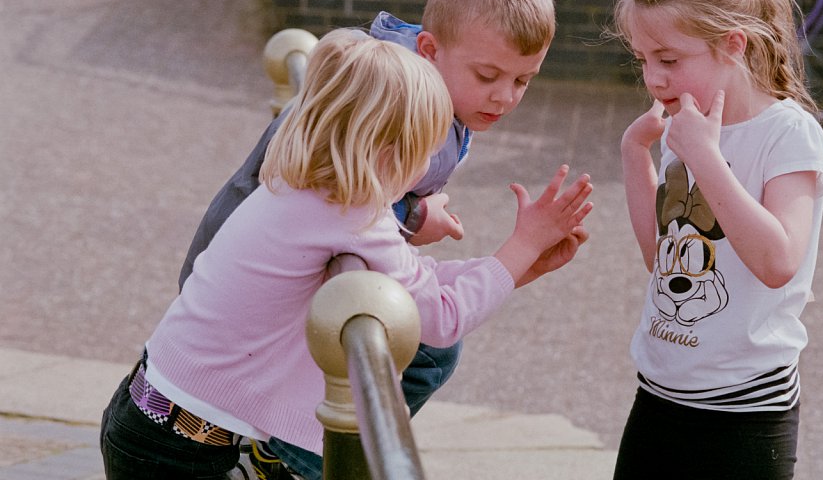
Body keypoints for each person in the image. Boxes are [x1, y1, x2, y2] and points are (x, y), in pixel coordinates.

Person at [99, 29, 594, 480]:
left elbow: (413, 279)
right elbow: (440, 320)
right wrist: (522, 244)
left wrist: (515, 270)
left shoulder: (308, 185)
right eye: (425, 149)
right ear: (388, 149)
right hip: (176, 454)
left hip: (154, 420)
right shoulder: (352, 209)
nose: (427, 168)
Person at [175, 0, 565, 477]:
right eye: (489, 75)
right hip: (266, 286)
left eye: (523, 81)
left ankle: (292, 451)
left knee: (420, 347)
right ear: (429, 50)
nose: (505, 97)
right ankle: (291, 458)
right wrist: (411, 218)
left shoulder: (419, 85)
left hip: (299, 261)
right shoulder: (381, 98)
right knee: (419, 346)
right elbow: (332, 184)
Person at [609, 0, 823, 479]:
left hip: (747, 411)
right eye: (643, 60)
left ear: (733, 45)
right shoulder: (684, 128)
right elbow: (660, 260)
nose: (653, 78)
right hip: (660, 392)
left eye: (668, 60)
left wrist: (705, 157)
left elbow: (778, 261)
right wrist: (635, 154)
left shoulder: (789, 133)